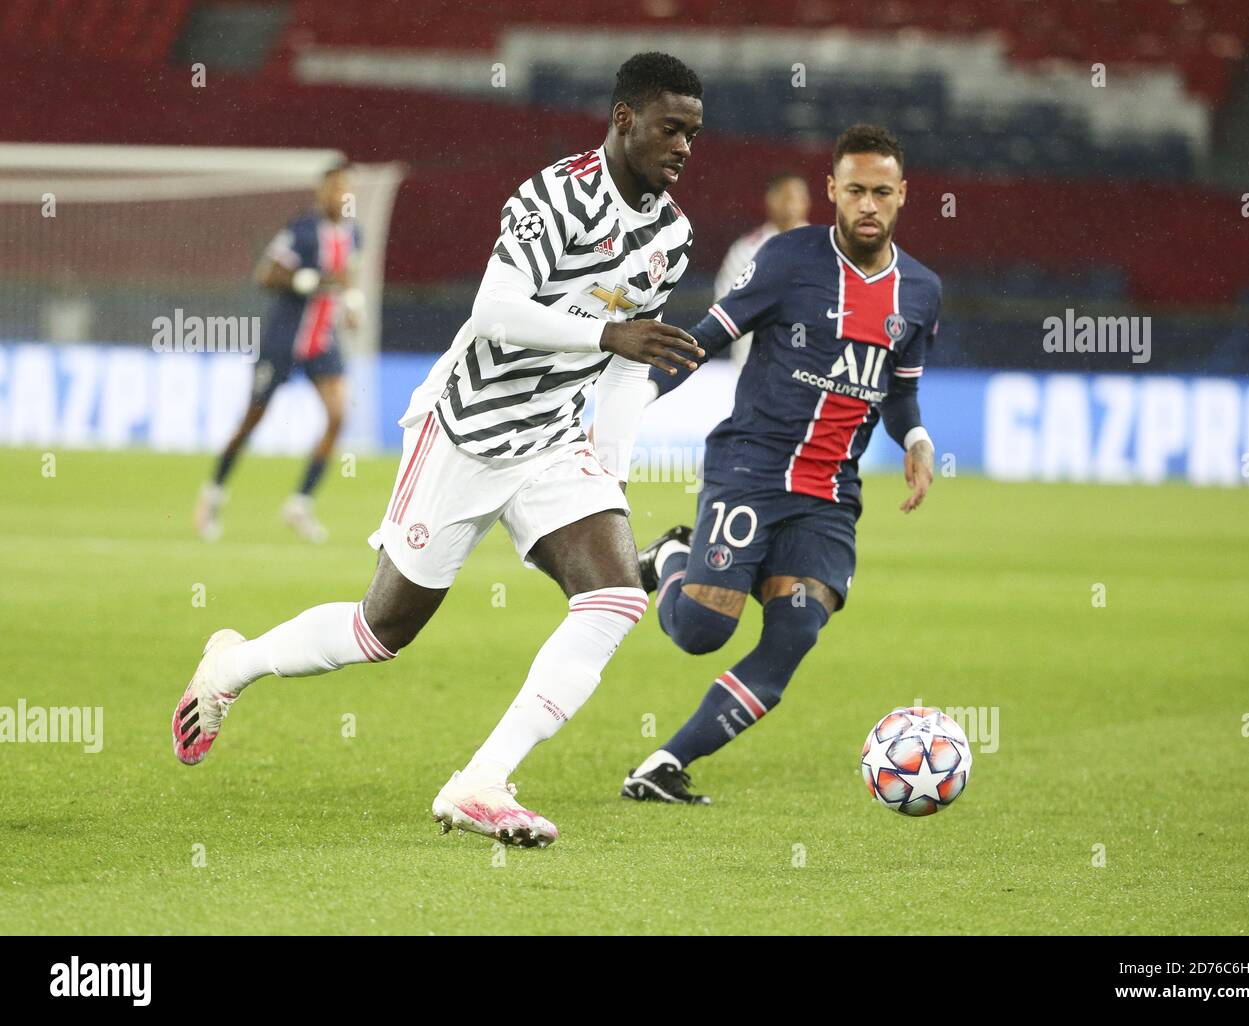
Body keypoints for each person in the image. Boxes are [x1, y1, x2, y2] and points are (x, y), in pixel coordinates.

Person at [172, 53, 707, 848]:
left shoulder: (672, 236)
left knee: (614, 599)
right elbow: (495, 310)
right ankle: (232, 666)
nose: (684, 148)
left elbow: (633, 362)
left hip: (551, 433)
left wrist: (610, 463)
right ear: (625, 118)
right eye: (671, 128)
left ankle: (482, 782)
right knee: (379, 631)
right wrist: (604, 331)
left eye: (694, 134)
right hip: (464, 427)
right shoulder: (555, 197)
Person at [622, 124, 942, 805]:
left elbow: (901, 388)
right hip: (752, 468)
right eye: (854, 190)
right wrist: (639, 397)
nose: (867, 205)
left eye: (881, 192)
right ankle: (671, 560)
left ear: (903, 196)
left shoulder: (920, 291)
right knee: (703, 630)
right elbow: (707, 336)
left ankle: (663, 764)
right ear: (831, 190)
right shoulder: (788, 260)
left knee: (795, 628)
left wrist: (915, 440)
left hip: (828, 494)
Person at [194, 163, 362, 543]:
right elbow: (266, 274)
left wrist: (352, 304)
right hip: (284, 340)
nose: (340, 196)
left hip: (323, 341)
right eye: (334, 189)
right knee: (252, 420)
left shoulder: (356, 234)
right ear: (322, 193)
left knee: (338, 416)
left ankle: (300, 504)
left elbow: (349, 276)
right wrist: (309, 280)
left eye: (345, 190)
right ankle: (213, 493)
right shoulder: (302, 230)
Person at [713, 172, 810, 365]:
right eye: (785, 196)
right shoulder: (746, 249)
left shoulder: (821, 247)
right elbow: (724, 302)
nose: (791, 204)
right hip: (755, 356)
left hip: (807, 358)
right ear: (770, 200)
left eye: (798, 197)